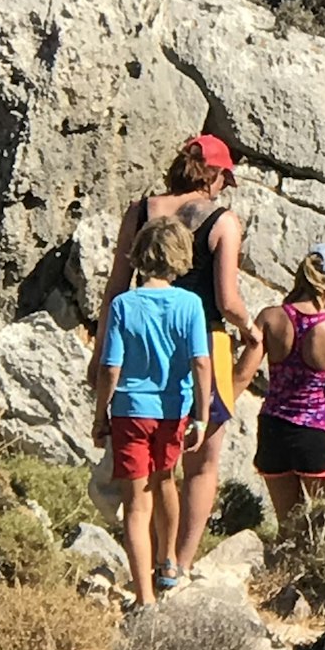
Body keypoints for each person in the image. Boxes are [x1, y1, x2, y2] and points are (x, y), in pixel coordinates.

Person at [95, 135, 261, 575]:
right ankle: (179, 564)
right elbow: (226, 300)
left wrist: (100, 354)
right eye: (225, 176)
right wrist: (250, 328)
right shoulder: (223, 221)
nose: (226, 186)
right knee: (201, 462)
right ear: (214, 175)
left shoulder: (143, 210)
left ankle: (149, 558)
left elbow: (115, 287)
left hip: (142, 337)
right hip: (205, 340)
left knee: (147, 463)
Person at [93, 216, 212, 608]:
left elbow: (111, 366)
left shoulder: (124, 305)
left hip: (130, 410)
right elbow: (200, 362)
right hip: (173, 410)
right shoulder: (191, 304)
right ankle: (169, 565)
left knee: (137, 503)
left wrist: (101, 414)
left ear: (141, 255)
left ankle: (144, 598)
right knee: (166, 482)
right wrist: (202, 412)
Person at [237, 242, 325, 525]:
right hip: (314, 434)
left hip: (274, 429)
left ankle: (283, 569)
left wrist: (211, 415)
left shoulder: (269, 318)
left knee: (289, 526)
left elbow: (242, 375)